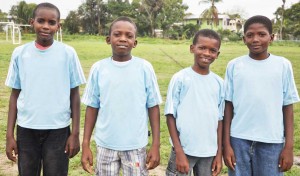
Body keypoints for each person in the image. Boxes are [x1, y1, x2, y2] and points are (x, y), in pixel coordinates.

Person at [5, 2, 86, 175]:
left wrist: (75, 134)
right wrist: (9, 135)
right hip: (26, 129)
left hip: (58, 129)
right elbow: (14, 95)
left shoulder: (68, 53)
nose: (46, 26)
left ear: (58, 26)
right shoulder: (20, 53)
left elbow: (75, 95)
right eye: (41, 21)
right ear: (32, 22)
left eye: (51, 22)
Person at [81, 16, 162, 176]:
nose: (123, 39)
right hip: (105, 145)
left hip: (135, 146)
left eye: (129, 35)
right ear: (108, 39)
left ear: (135, 42)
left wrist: (156, 145)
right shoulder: (98, 68)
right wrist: (85, 144)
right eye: (117, 34)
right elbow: (92, 107)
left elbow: (153, 107)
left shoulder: (145, 68)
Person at [223, 15, 300, 176]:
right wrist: (227, 144)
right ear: (244, 39)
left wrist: (289, 147)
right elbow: (228, 106)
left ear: (271, 38)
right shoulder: (234, 66)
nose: (255, 39)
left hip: (271, 142)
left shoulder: (283, 65)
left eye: (261, 34)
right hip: (238, 140)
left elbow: (287, 106)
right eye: (250, 35)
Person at [164, 29, 224, 176]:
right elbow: (170, 116)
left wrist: (218, 153)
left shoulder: (219, 83)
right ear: (192, 48)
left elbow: (220, 119)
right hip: (183, 149)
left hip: (209, 152)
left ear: (217, 54)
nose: (207, 53)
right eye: (202, 48)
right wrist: (178, 151)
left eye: (212, 50)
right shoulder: (180, 78)